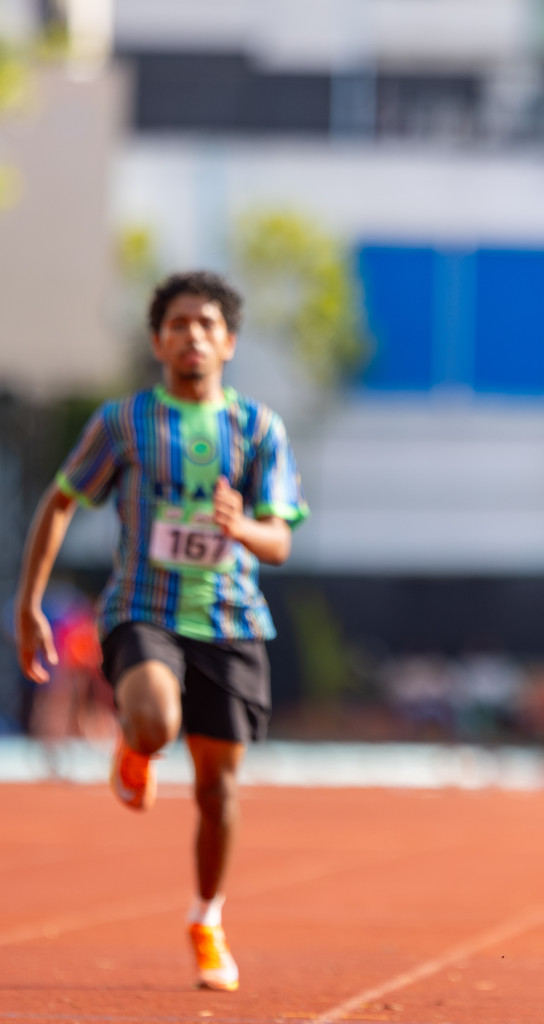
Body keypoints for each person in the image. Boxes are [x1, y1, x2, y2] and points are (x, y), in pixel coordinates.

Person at [13, 271, 307, 992]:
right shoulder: (124, 423)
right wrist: (29, 603)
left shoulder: (259, 429)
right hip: (144, 609)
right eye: (177, 324)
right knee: (152, 720)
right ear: (157, 340)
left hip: (232, 620)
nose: (192, 336)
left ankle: (207, 918)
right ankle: (136, 746)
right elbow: (59, 502)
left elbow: (281, 542)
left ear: (229, 342)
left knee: (219, 791)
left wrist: (244, 528)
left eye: (207, 324)